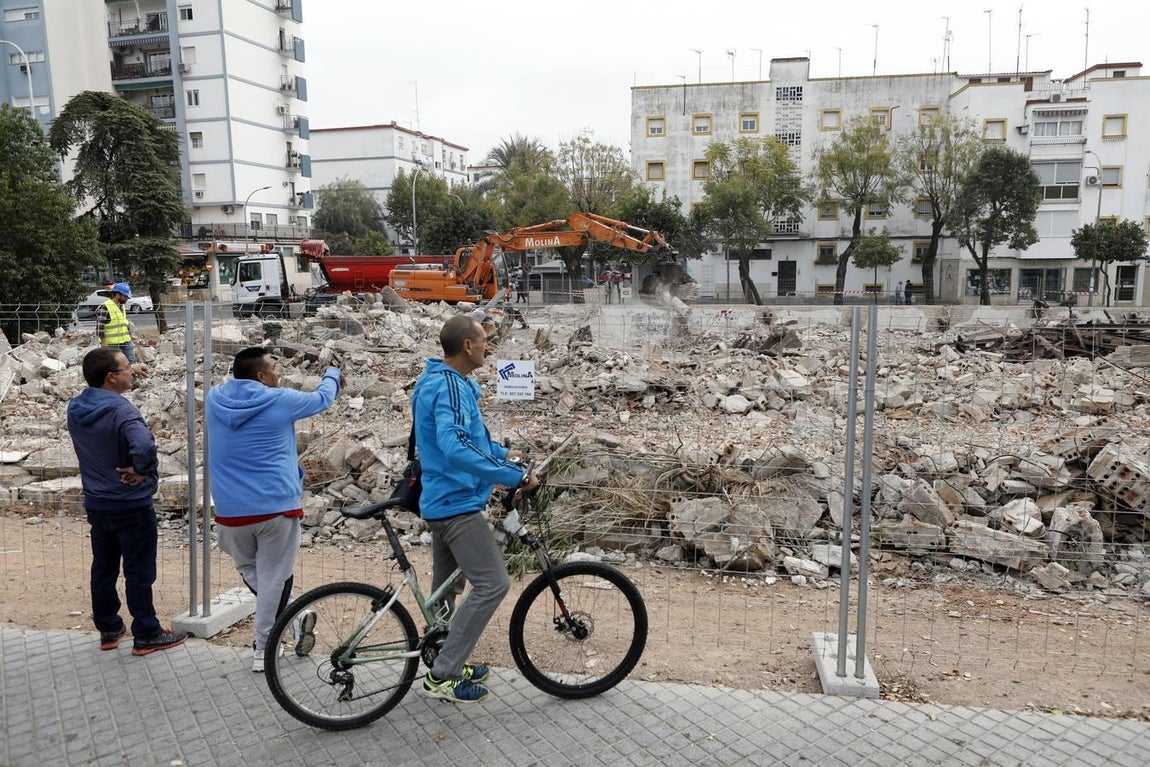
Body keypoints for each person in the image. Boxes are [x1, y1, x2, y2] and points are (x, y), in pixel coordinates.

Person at [413, 315, 538, 703]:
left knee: (447, 590)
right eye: (484, 340)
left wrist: (504, 454)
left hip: (442, 499)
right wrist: (512, 475)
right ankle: (443, 674)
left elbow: (471, 440)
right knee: (493, 584)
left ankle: (442, 653)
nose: (488, 346)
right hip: (456, 504)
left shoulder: (447, 382)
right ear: (467, 345)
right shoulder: (449, 384)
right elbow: (454, 446)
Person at [205, 347, 342, 672]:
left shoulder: (213, 399)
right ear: (261, 377)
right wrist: (334, 374)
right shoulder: (280, 399)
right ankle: (264, 646)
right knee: (274, 577)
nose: (278, 374)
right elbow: (323, 399)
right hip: (276, 507)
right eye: (274, 369)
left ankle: (295, 619)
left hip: (229, 509)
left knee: (252, 571)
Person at [66, 348, 187, 656]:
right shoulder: (123, 411)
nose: (132, 371)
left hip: (97, 503)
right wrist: (141, 470)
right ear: (111, 377)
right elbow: (144, 445)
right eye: (126, 367)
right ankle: (147, 633)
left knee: (103, 568)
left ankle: (109, 628)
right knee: (139, 572)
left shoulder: (76, 407)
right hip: (130, 504)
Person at [96, 283, 137, 363]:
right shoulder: (105, 307)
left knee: (131, 362)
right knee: (114, 364)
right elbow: (100, 327)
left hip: (126, 340)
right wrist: (103, 342)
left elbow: (123, 323)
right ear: (118, 295)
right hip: (112, 344)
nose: (127, 299)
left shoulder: (122, 306)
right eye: (125, 297)